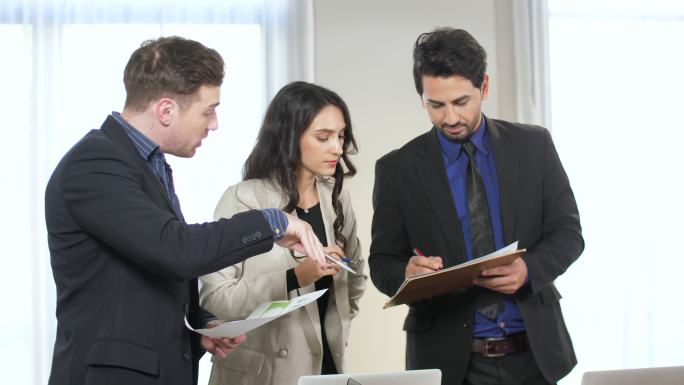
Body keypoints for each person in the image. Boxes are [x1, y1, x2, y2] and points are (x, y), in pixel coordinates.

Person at [45, 37, 327, 385]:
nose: (214, 124)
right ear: (166, 110)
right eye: (208, 110)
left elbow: (143, 274)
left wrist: (199, 326)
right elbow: (174, 249)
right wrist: (274, 220)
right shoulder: (94, 164)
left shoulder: (144, 163)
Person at [369, 28, 584, 385]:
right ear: (421, 95)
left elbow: (569, 234)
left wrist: (529, 270)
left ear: (484, 87)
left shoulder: (534, 146)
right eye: (435, 105)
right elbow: (382, 263)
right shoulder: (397, 169)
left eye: (461, 102)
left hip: (535, 356)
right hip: (450, 363)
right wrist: (407, 274)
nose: (450, 118)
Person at [200, 81, 367, 385]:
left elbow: (355, 278)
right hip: (261, 376)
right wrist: (294, 277)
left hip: (327, 371)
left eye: (341, 136)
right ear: (290, 136)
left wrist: (335, 327)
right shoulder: (243, 199)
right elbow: (215, 299)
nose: (337, 148)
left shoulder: (336, 198)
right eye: (323, 136)